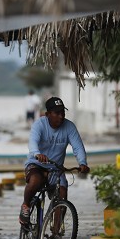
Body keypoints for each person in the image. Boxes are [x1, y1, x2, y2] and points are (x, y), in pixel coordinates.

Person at [19, 96, 90, 226]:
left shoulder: (69, 127)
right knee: (36, 181)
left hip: (55, 169)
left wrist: (82, 163)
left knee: (63, 191)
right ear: (47, 114)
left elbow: (78, 146)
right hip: (36, 164)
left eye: (63, 112)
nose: (61, 116)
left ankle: (56, 234)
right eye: (57, 113)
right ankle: (25, 205)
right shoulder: (39, 124)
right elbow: (32, 142)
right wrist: (37, 154)